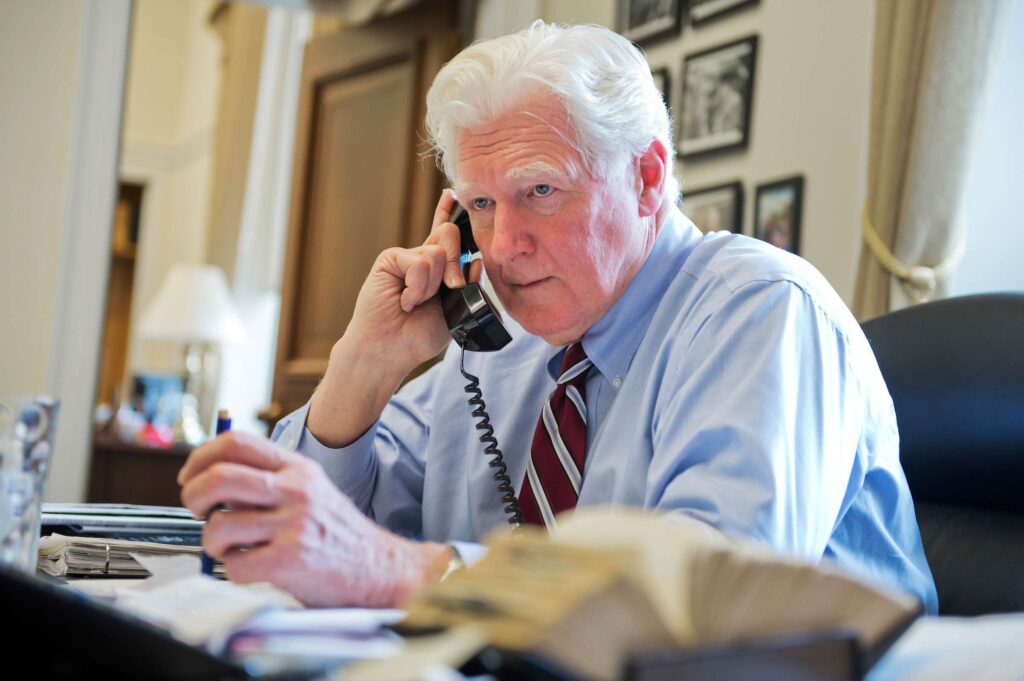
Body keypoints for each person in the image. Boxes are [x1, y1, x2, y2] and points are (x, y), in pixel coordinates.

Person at [178, 22, 938, 613]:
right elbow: (289, 541)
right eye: (479, 203)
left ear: (646, 178)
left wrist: (402, 569)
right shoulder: (497, 342)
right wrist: (363, 364)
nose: (503, 246)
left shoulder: (762, 313)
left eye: (541, 190)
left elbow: (710, 602)